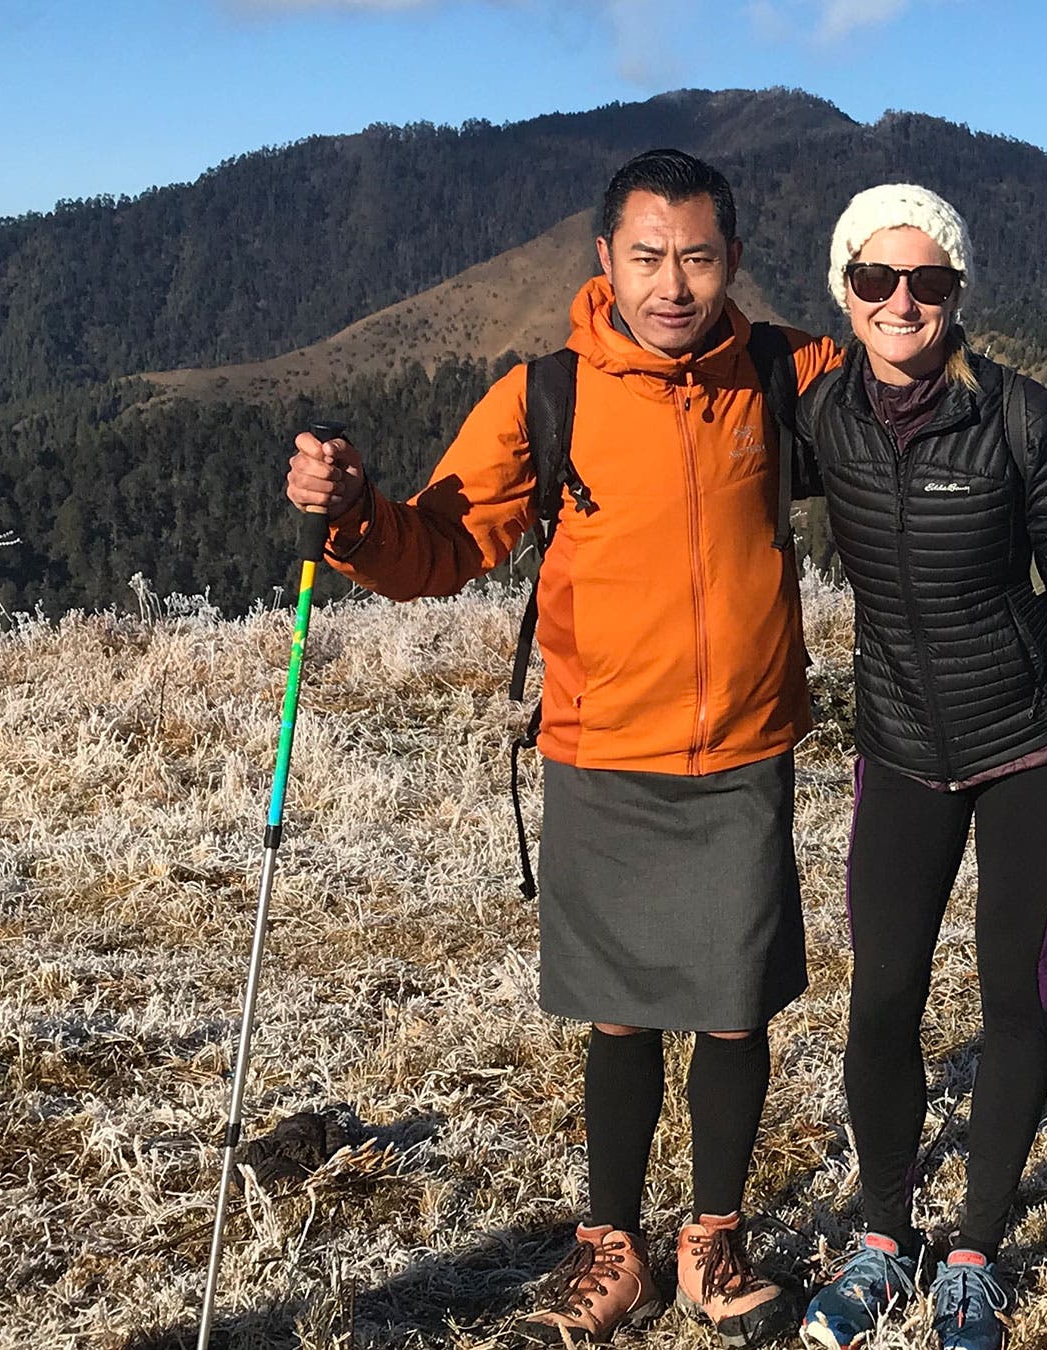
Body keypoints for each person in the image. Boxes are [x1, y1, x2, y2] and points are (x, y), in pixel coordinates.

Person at [286, 149, 836, 1349]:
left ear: (732, 261)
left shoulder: (789, 373)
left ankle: (713, 1239)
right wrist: (353, 523)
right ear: (606, 262)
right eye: (648, 258)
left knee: (736, 1011)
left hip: (743, 749)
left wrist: (1044, 436)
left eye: (696, 257)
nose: (673, 283)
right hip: (602, 752)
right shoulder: (550, 395)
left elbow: (916, 395)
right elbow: (438, 547)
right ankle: (612, 1247)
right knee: (621, 1016)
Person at [795, 185, 1047, 1350]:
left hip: (1030, 743)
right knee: (882, 997)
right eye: (878, 281)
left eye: (928, 281)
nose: (903, 302)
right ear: (843, 293)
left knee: (1013, 999)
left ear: (959, 294)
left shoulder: (1028, 422)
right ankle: (885, 1239)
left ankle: (978, 1252)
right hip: (897, 745)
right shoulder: (821, 418)